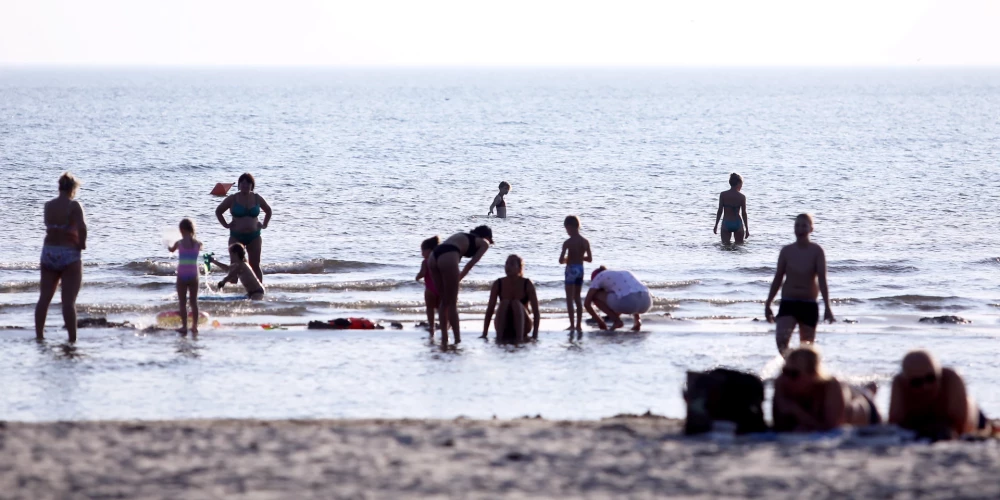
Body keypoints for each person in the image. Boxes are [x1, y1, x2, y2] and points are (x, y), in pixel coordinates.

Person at [764, 214, 834, 354]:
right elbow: (778, 278)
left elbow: (822, 280)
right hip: (788, 302)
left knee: (806, 349)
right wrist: (768, 303)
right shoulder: (786, 251)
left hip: (809, 304)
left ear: (811, 229)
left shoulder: (817, 251)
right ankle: (793, 367)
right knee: (781, 341)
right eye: (797, 225)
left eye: (804, 225)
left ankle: (800, 372)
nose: (800, 229)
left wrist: (827, 307)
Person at [772, 347, 881, 432]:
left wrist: (797, 411)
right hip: (842, 400)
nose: (786, 378)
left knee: (862, 394)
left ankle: (868, 389)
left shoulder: (831, 387)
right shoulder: (782, 383)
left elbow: (834, 429)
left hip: (867, 411)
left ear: (813, 374)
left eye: (793, 374)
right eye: (784, 371)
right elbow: (779, 426)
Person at [888, 350, 990, 440]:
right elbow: (894, 426)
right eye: (917, 382)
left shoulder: (951, 380)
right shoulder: (899, 384)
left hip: (974, 417)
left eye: (930, 378)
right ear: (906, 383)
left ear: (939, 374)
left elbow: (960, 430)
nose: (926, 387)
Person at [35, 173, 87, 343]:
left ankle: (40, 336)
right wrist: (82, 244)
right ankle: (72, 340)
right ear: (73, 189)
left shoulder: (48, 206)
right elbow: (82, 228)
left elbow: (49, 227)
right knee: (68, 301)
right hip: (69, 254)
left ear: (59, 187)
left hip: (49, 252)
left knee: (44, 298)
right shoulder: (74, 206)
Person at [427, 226, 493, 344]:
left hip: (433, 256)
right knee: (452, 302)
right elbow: (470, 264)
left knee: (444, 301)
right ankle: (457, 339)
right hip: (448, 256)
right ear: (487, 237)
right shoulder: (485, 243)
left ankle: (444, 337)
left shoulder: (462, 236)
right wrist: (458, 279)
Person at [215, 173, 272, 283]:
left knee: (254, 265)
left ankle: (259, 290)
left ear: (252, 185)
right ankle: (232, 293)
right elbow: (218, 211)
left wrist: (264, 224)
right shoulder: (232, 199)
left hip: (254, 236)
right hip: (236, 237)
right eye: (242, 183)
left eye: (248, 183)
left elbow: (268, 211)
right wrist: (225, 225)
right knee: (234, 267)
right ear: (239, 185)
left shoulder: (257, 198)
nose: (245, 185)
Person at [482, 254, 540, 343]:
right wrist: (484, 333)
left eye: (512, 264)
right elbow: (490, 309)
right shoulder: (498, 283)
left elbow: (536, 312)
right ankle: (499, 338)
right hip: (504, 325)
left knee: (516, 303)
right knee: (504, 303)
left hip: (523, 325)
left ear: (519, 268)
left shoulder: (527, 284)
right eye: (506, 264)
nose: (508, 267)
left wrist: (535, 335)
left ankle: (519, 339)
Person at [584, 266, 652, 331]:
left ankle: (616, 321)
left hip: (629, 301)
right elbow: (632, 292)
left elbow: (587, 303)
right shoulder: (623, 272)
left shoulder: (598, 277)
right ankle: (637, 321)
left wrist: (600, 322)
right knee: (625, 293)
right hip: (647, 302)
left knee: (594, 296)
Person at [167, 219, 203, 335]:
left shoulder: (179, 243)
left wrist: (168, 246)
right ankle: (195, 327)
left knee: (182, 302)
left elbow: (171, 250)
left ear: (182, 230)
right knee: (194, 302)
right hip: (194, 274)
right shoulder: (198, 244)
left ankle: (184, 326)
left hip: (182, 274)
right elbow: (200, 248)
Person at [559, 215, 592, 331]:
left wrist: (568, 259)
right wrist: (579, 257)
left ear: (569, 227)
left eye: (566, 228)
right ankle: (578, 325)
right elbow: (589, 259)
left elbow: (560, 260)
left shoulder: (567, 243)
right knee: (577, 297)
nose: (566, 231)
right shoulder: (585, 242)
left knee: (569, 298)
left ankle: (572, 325)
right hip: (580, 269)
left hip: (571, 269)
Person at [713, 172, 749, 244]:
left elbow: (720, 211)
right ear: (738, 183)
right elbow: (744, 213)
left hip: (726, 223)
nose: (742, 185)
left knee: (725, 247)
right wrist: (747, 229)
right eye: (741, 183)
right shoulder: (742, 197)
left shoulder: (723, 195)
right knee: (739, 247)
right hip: (737, 223)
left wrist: (716, 225)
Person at [415, 236, 441, 334]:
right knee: (440, 308)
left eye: (423, 251)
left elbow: (422, 273)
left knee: (430, 308)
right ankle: (444, 324)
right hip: (440, 288)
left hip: (430, 289)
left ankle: (431, 325)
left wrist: (417, 278)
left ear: (429, 250)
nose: (422, 253)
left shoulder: (426, 262)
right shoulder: (440, 260)